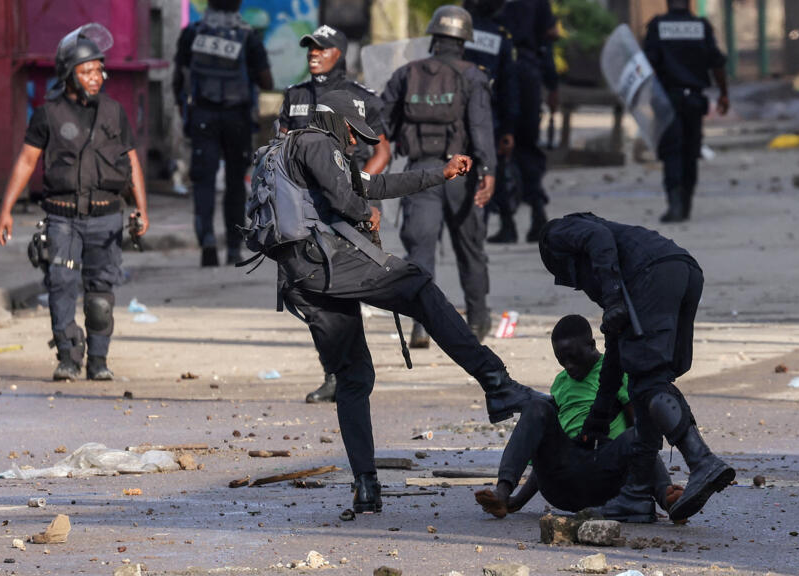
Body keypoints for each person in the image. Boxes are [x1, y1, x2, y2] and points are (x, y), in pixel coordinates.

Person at [240, 90, 539, 514]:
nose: (356, 143)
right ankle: (498, 385)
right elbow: (349, 200)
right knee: (417, 285)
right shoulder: (316, 143)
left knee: (354, 377)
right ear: (334, 121)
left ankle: (366, 486)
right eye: (352, 131)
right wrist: (365, 213)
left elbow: (376, 183)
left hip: (302, 279)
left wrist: (440, 173)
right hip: (327, 267)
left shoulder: (306, 150)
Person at [539, 213, 734, 523]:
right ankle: (636, 495)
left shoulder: (558, 234)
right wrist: (599, 417)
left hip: (652, 275)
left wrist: (613, 296)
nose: (579, 286)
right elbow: (617, 348)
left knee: (648, 382)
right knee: (645, 380)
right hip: (682, 269)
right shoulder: (620, 262)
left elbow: (597, 239)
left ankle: (702, 461)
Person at [0, 24, 149, 381]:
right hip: (61, 217)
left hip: (107, 216)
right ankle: (67, 357)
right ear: (68, 74)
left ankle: (98, 361)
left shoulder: (114, 112)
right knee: (61, 284)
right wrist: (5, 210)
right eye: (88, 71)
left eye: (99, 70)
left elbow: (132, 162)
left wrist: (142, 209)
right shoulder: (47, 114)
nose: (97, 77)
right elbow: (26, 161)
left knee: (99, 294)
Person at [276, 24, 392, 405]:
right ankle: (332, 372)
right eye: (310, 47)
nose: (313, 53)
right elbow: (278, 152)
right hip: (300, 213)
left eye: (321, 48)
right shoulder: (294, 96)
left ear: (338, 53)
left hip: (342, 210)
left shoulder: (359, 98)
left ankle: (349, 373)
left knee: (342, 291)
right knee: (308, 294)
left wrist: (356, 188)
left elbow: (381, 152)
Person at [475, 315, 684, 522]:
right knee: (536, 406)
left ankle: (669, 500)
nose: (569, 366)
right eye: (562, 360)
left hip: (605, 476)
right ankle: (502, 492)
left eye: (573, 357)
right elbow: (548, 448)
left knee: (640, 436)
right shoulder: (560, 383)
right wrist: (517, 501)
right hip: (562, 485)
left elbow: (642, 438)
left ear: (591, 345)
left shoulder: (615, 371)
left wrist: (644, 491)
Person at [382, 5, 497, 346]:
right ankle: (476, 322)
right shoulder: (473, 76)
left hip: (420, 173)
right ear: (464, 41)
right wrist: (488, 171)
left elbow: (380, 126)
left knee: (420, 251)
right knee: (470, 249)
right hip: (461, 173)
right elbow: (480, 128)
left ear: (434, 37)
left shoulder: (407, 73)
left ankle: (422, 324)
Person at [174, 0, 273, 267]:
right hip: (237, 118)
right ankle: (232, 247)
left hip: (203, 116)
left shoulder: (193, 33)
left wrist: (185, 113)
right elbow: (267, 81)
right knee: (235, 185)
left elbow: (179, 79)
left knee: (203, 182)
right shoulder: (247, 35)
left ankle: (206, 240)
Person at [643, 0, 729, 223]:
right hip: (694, 100)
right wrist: (723, 93)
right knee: (690, 153)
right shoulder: (701, 26)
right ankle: (686, 204)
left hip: (668, 99)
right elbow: (716, 62)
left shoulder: (657, 26)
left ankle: (675, 206)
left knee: (672, 151)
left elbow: (646, 66)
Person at [497, 0, 558, 243]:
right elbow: (548, 41)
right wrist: (552, 85)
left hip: (498, 73)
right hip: (529, 74)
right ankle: (537, 214)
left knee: (497, 146)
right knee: (526, 146)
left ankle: (507, 222)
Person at [462, 0, 521, 244]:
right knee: (489, 169)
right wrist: (508, 128)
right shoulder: (499, 36)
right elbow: (509, 86)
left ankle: (474, 229)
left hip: (456, 113)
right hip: (489, 116)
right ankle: (484, 228)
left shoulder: (456, 30)